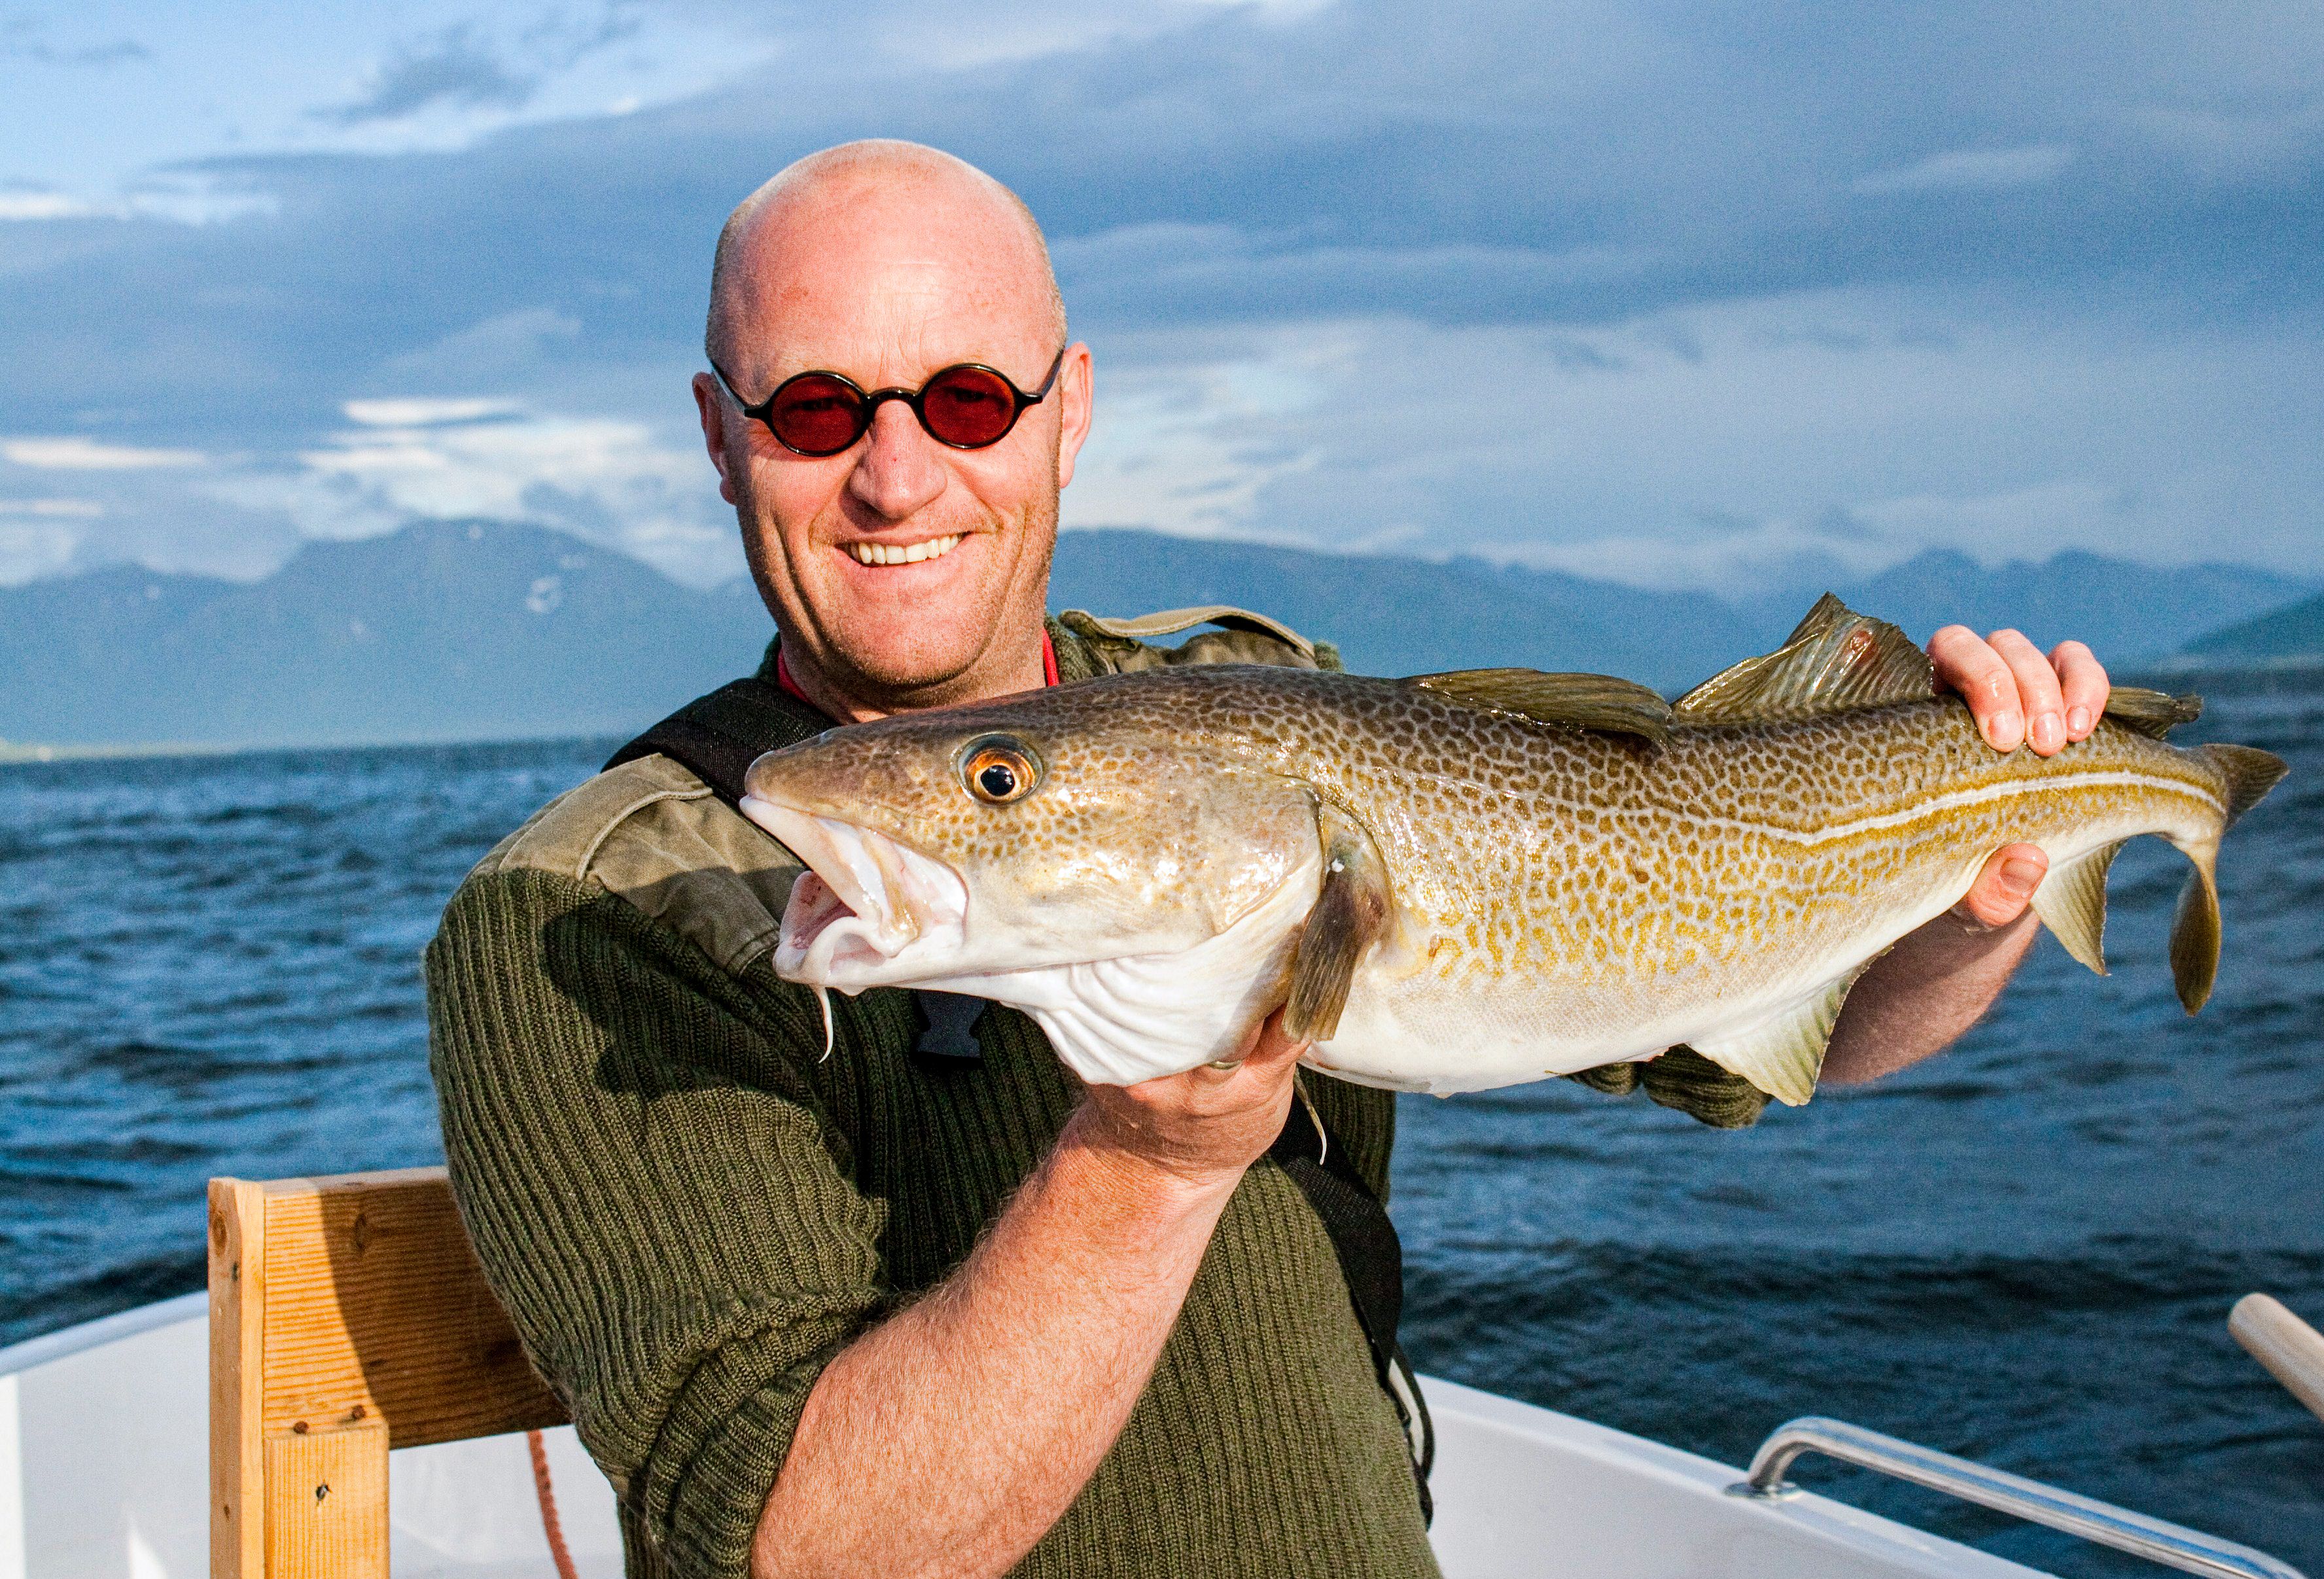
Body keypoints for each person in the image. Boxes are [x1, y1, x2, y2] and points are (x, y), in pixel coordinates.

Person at [426, 140, 2114, 1579]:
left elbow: (1723, 1045)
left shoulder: (1284, 711)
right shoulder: (588, 914)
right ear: (721, 438)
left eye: (963, 396)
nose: (894, 472)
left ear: (1066, 413)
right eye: (811, 407)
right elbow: (800, 1551)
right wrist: (1146, 1163)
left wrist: (1968, 896)